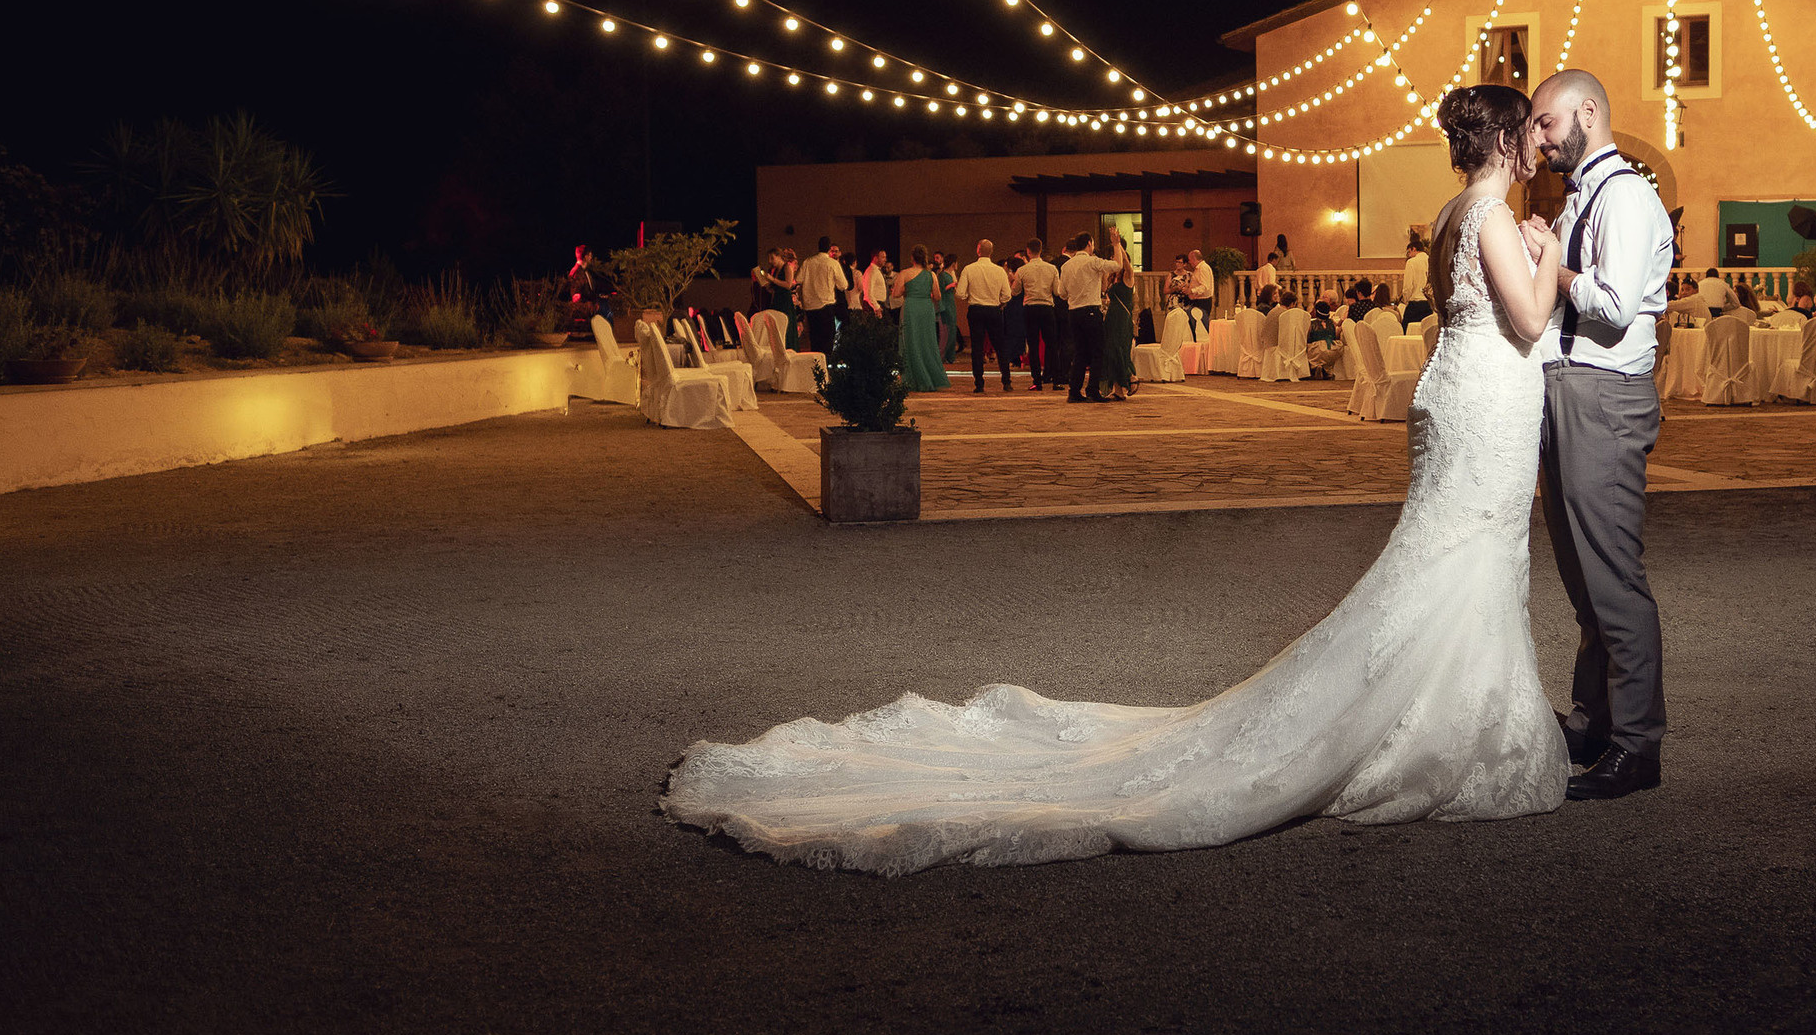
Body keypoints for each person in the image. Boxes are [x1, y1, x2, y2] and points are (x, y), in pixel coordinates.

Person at [662, 80, 1572, 873]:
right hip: (1485, 398)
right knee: (1460, 556)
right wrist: (1555, 247)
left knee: (1450, 556)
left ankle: (1449, 715)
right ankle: (1448, 733)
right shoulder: (1491, 215)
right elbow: (1530, 319)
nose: (1537, 145)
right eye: (1527, 131)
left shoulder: (1456, 213)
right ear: (1500, 141)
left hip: (1465, 396)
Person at [1527, 69, 1676, 802]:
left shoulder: (1627, 195)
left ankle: (1638, 745)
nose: (1540, 138)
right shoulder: (1580, 197)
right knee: (1585, 581)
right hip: (1568, 391)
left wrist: (1553, 268)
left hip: (1605, 396)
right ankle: (1593, 722)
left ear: (1589, 110)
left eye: (1546, 123)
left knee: (1614, 577)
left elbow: (1615, 304)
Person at [1058, 232, 1117, 403]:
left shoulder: (1067, 266)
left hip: (1073, 312)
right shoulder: (1093, 261)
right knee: (1098, 351)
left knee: (1080, 353)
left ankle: (1074, 391)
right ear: (1089, 244)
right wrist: (1116, 245)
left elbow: (1062, 294)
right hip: (1090, 310)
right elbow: (1117, 266)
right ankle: (1092, 390)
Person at [957, 240, 1016, 393]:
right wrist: (999, 302)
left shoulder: (969, 269)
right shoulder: (999, 271)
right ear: (991, 252)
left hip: (976, 310)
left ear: (978, 250)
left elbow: (960, 293)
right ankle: (1006, 382)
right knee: (1000, 346)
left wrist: (972, 295)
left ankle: (979, 384)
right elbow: (1007, 295)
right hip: (994, 310)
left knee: (977, 348)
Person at [896, 246, 950, 393]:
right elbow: (937, 296)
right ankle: (930, 376)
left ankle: (911, 378)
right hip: (926, 308)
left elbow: (896, 293)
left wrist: (909, 290)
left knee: (910, 340)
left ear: (912, 258)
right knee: (927, 341)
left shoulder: (905, 273)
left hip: (911, 307)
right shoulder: (931, 275)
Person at [1097, 228, 1138, 401]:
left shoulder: (1128, 277)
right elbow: (1103, 291)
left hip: (1122, 318)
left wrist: (1117, 244)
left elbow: (1126, 264)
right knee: (1110, 351)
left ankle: (1130, 377)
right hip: (1111, 317)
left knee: (1119, 349)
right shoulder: (1112, 279)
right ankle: (1119, 389)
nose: (1114, 260)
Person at [1017, 240, 1062, 391]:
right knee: (1052, 344)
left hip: (1030, 308)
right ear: (1041, 250)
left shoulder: (1023, 270)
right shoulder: (1052, 269)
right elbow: (1057, 291)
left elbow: (1015, 291)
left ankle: (1037, 381)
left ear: (1028, 251)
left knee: (1033, 345)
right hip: (1047, 308)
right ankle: (1056, 380)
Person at [797, 237, 847, 355]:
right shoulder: (833, 263)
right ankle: (825, 368)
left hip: (810, 307)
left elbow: (798, 279)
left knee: (814, 339)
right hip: (826, 306)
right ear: (829, 249)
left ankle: (815, 367)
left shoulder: (808, 262)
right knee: (827, 340)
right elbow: (843, 285)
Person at [1400, 233, 1432, 327]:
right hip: (1429, 305)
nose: (1409, 255)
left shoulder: (1411, 262)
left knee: (1407, 331)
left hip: (1415, 304)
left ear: (1414, 249)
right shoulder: (1431, 261)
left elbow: (1408, 287)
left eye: (1409, 252)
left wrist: (1406, 300)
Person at [1182, 249, 1215, 336]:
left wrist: (1191, 290)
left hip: (1203, 302)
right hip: (1197, 301)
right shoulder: (1198, 268)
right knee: (1195, 328)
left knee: (1202, 328)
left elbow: (1205, 286)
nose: (1189, 262)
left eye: (1190, 260)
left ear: (1194, 259)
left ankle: (1205, 346)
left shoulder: (1203, 268)